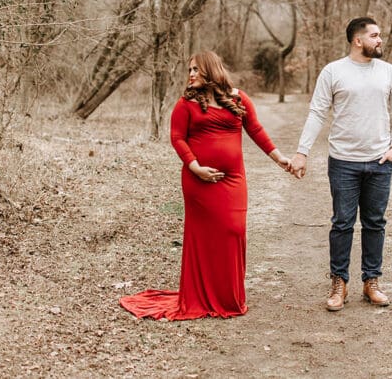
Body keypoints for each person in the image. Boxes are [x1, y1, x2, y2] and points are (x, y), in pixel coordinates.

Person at [119, 51, 292, 320]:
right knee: (205, 239)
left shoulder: (237, 98)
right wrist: (194, 166)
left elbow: (255, 130)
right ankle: (201, 296)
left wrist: (279, 157)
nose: (190, 74)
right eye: (189, 70)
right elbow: (177, 138)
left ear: (211, 70)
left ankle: (229, 298)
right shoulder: (186, 103)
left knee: (233, 231)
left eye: (196, 69)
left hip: (234, 179)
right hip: (198, 181)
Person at [290, 17, 392, 312]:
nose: (380, 40)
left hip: (380, 162)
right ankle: (339, 283)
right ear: (358, 40)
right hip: (343, 161)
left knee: (375, 223)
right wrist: (302, 152)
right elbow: (317, 113)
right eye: (375, 35)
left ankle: (372, 282)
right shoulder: (333, 72)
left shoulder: (388, 72)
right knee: (342, 223)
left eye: (379, 35)